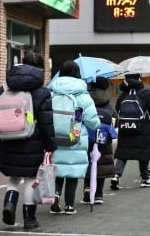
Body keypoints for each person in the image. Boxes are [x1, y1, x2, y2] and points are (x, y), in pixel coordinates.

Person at [0, 52, 57, 229]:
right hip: (33, 141)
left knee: (14, 179)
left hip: (8, 140)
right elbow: (46, 122)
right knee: (30, 179)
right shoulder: (42, 91)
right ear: (39, 69)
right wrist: (50, 146)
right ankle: (29, 219)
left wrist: (0, 138)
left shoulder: (4, 88)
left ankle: (9, 205)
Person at [48, 60, 100, 214]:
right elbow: (92, 122)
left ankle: (55, 195)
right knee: (72, 171)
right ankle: (69, 206)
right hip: (75, 139)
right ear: (78, 74)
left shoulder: (52, 92)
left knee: (58, 169)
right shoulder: (83, 95)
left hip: (55, 138)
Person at [111, 73, 150, 189]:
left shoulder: (123, 95)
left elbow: (118, 109)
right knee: (143, 153)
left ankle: (116, 176)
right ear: (138, 79)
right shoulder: (145, 93)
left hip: (125, 127)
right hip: (142, 128)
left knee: (123, 152)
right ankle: (145, 178)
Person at [82, 77, 116, 205]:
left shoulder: (86, 97)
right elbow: (115, 118)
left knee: (87, 161)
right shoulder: (107, 99)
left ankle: (87, 187)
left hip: (87, 136)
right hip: (103, 138)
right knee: (102, 165)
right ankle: (98, 194)